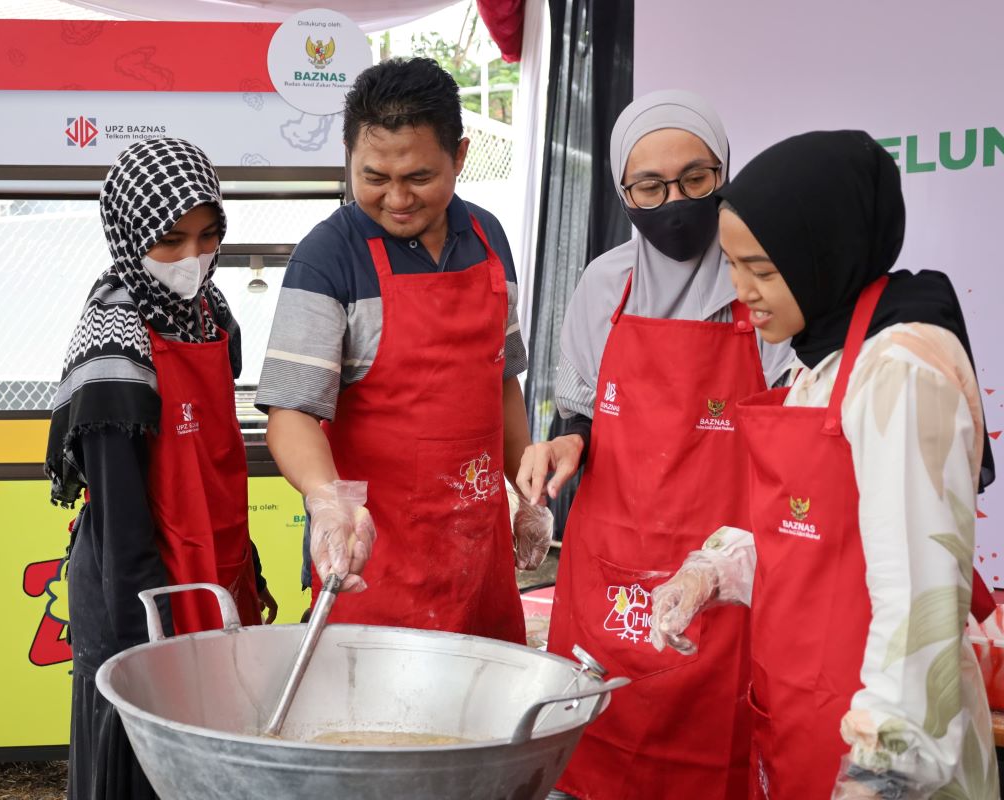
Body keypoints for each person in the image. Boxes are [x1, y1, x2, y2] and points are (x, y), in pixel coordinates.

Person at [650, 130, 998, 799]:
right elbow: (813, 541)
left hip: (887, 751)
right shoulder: (825, 362)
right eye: (732, 264)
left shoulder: (902, 368)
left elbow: (918, 597)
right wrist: (710, 572)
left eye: (764, 270)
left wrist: (884, 770)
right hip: (809, 718)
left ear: (825, 254)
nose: (741, 290)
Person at [516, 91, 794, 800]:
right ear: (623, 191)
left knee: (715, 754)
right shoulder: (604, 283)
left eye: (696, 179)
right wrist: (564, 446)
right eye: (650, 186)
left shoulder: (762, 283)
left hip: (725, 574)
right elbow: (576, 414)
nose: (674, 200)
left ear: (724, 173)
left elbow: (794, 437)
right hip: (612, 570)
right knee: (600, 748)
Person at [255, 57, 536, 641]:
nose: (397, 199)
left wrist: (524, 487)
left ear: (459, 157)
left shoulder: (489, 238)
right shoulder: (328, 256)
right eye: (375, 177)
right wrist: (326, 501)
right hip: (375, 564)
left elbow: (501, 379)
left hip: (478, 558)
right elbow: (291, 413)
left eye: (419, 177)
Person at [44, 138, 275, 800]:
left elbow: (214, 461)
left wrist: (241, 568)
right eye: (170, 239)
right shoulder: (112, 337)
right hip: (139, 586)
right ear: (130, 232)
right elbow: (121, 513)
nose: (191, 259)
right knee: (147, 763)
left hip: (218, 568)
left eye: (208, 236)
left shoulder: (213, 317)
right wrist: (149, 645)